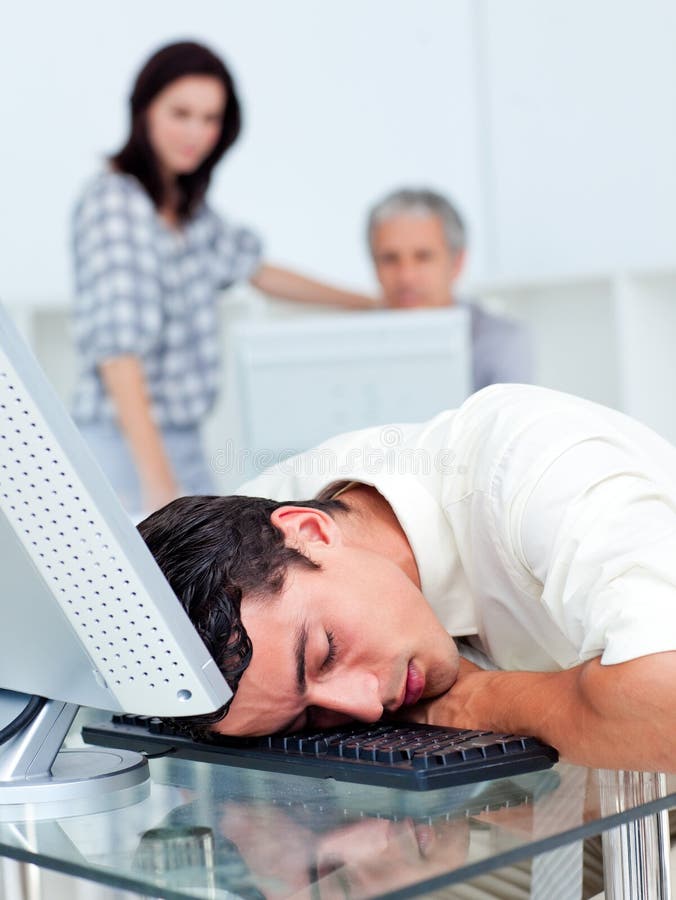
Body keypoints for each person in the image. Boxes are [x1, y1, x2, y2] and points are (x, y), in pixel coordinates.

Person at [138, 383, 676, 776]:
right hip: (557, 809)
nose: (368, 705)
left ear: (311, 531)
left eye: (327, 652)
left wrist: (473, 702)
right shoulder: (241, 535)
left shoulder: (538, 470)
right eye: (309, 718)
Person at [71, 41, 373, 516]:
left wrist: (373, 305)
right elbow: (119, 355)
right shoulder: (117, 204)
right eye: (181, 113)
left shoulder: (187, 212)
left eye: (210, 118)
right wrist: (161, 487)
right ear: (144, 109)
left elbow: (257, 271)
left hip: (181, 445)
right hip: (126, 449)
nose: (197, 132)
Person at [367, 188, 533, 391]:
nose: (406, 276)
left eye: (423, 257)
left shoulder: (501, 342)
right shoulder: (356, 346)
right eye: (389, 259)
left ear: (457, 262)